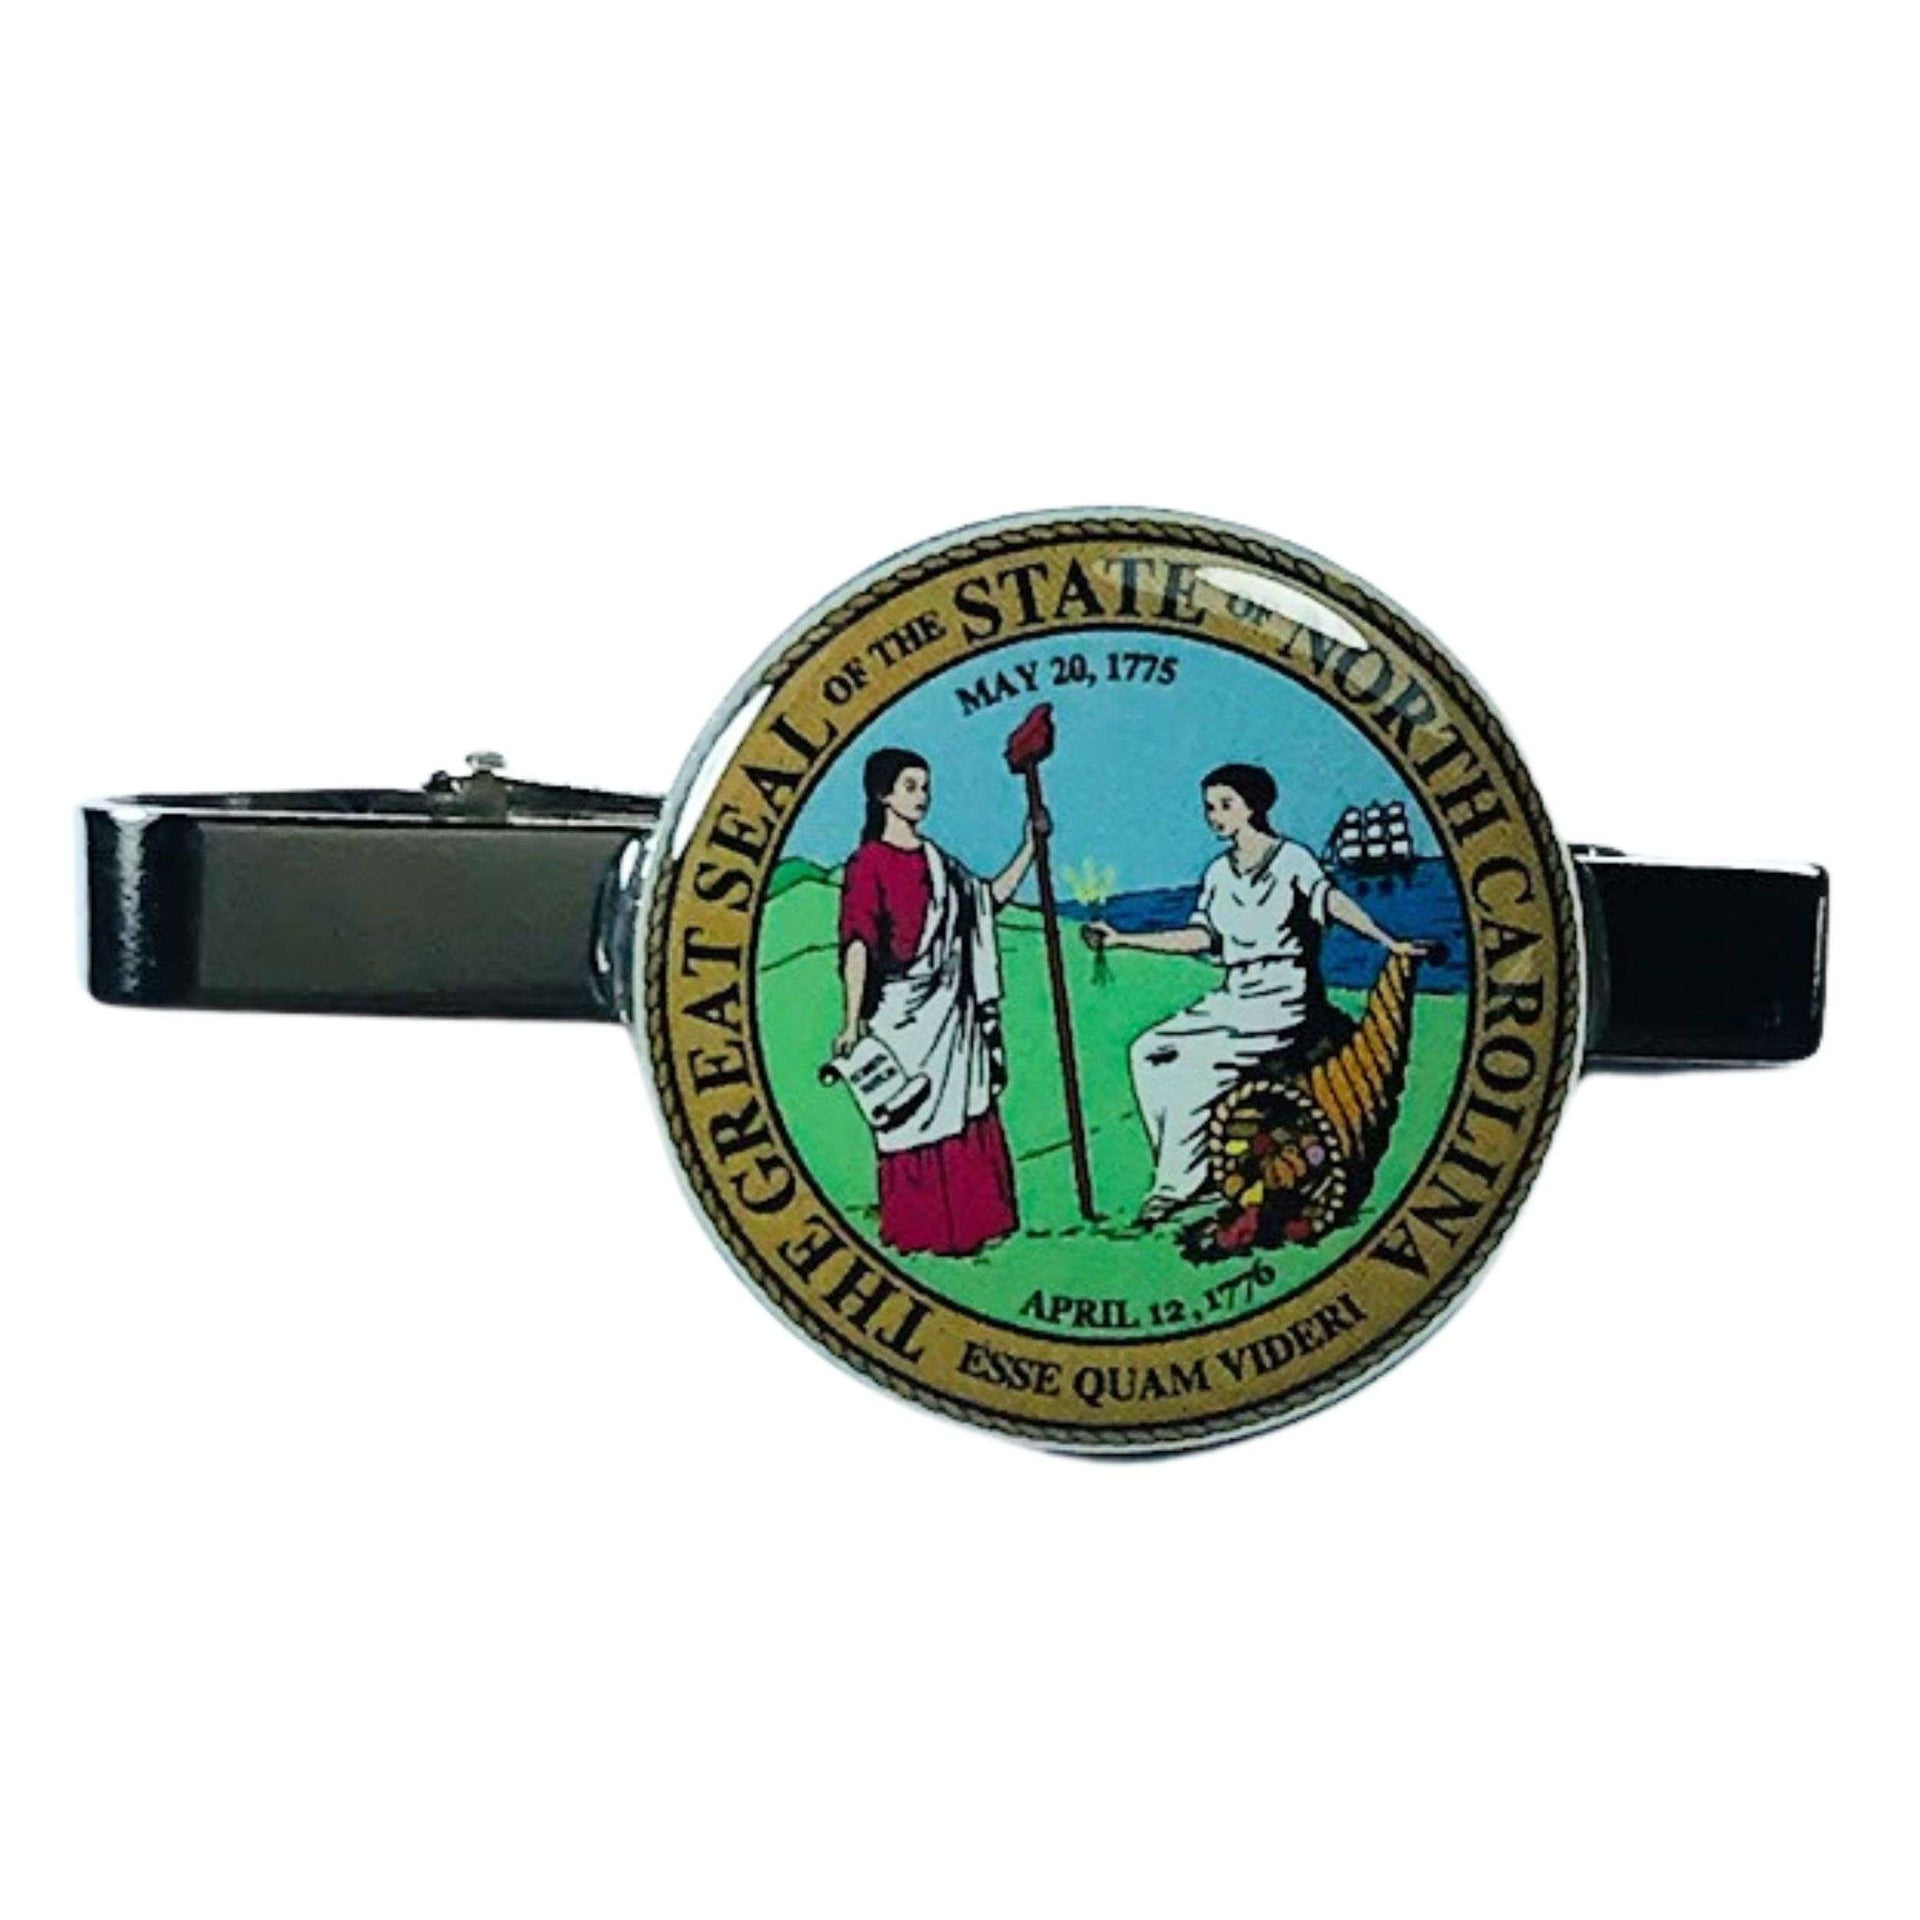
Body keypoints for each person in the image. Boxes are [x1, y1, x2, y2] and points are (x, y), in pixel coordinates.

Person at [1085, 763, 1421, 1227]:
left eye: (1225, 805)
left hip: (1284, 996)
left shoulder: (1291, 860)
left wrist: (1388, 941)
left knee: (1199, 1069)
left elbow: (1332, 902)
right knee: (1147, 1051)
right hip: (1235, 994)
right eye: (1209, 807)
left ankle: (1173, 1187)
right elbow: (1201, 936)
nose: (1214, 816)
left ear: (1253, 807)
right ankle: (1192, 1169)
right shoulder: (1218, 874)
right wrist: (1123, 939)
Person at [832, 748, 1042, 1256]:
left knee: (966, 1109)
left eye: (925, 786)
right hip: (901, 1014)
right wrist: (852, 1020)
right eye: (910, 787)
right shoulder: (868, 863)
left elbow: (986, 901)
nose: (922, 796)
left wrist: (1030, 847)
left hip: (952, 1016)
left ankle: (978, 1222)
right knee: (907, 1119)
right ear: (883, 794)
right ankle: (921, 1228)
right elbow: (857, 942)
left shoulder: (939, 862)